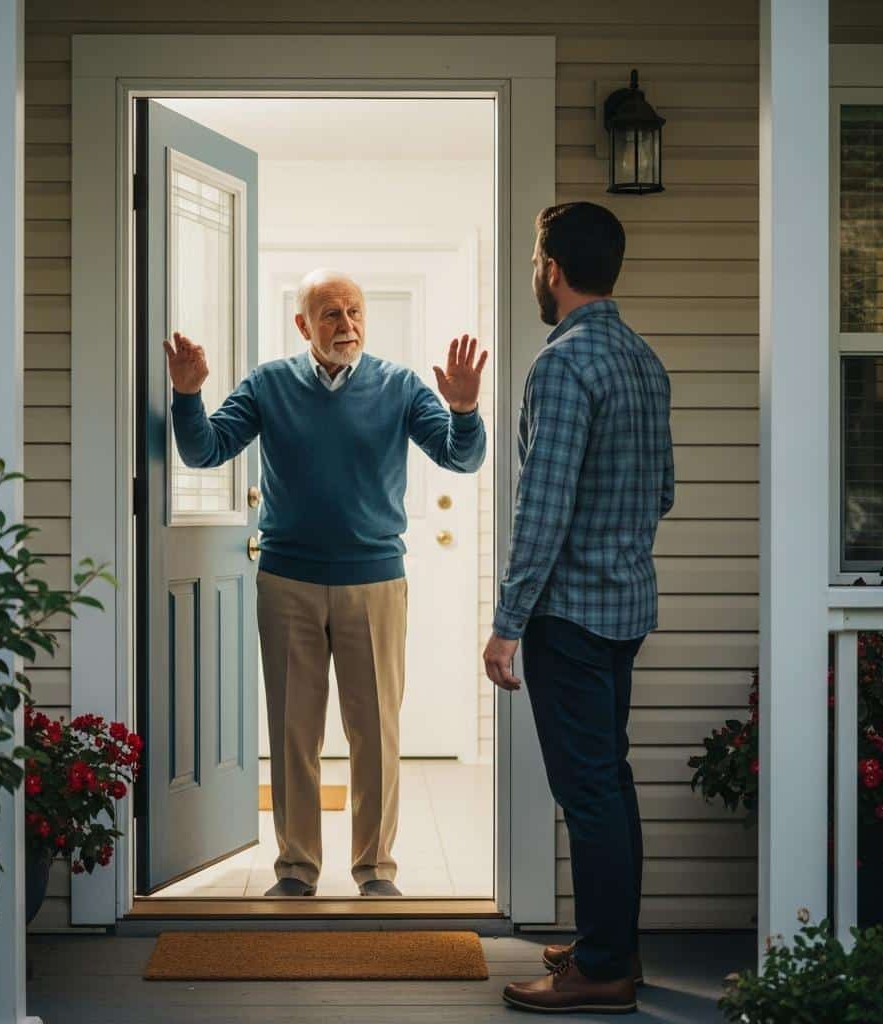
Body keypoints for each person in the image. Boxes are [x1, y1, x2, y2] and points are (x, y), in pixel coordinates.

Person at [164, 269, 487, 897]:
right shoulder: (268, 384)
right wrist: (186, 397)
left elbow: (459, 456)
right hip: (289, 581)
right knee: (294, 734)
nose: (347, 325)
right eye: (331, 314)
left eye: (355, 311)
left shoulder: (399, 386)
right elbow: (204, 451)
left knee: (377, 735)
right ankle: (296, 870)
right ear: (303, 325)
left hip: (375, 583)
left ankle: (374, 870)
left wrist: (466, 409)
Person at [483, 203, 674, 1014]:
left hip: (569, 618)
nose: (536, 271)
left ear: (552, 269)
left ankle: (600, 972)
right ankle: (612, 946)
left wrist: (506, 623)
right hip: (626, 608)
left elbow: (543, 508)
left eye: (536, 259)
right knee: (612, 786)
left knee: (589, 793)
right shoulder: (641, 358)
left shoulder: (563, 365)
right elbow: (662, 491)